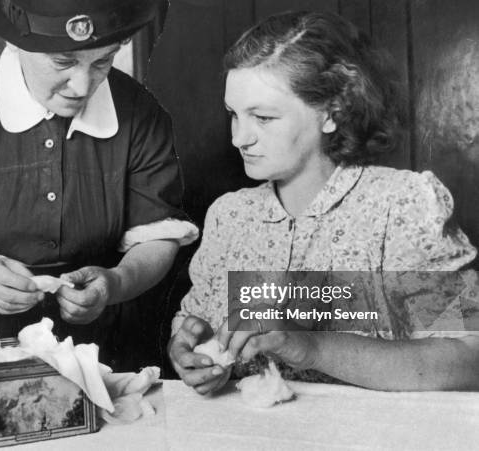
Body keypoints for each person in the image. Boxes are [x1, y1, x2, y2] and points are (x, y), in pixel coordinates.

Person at [168, 11, 479, 393]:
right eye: (234, 114)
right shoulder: (229, 217)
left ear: (330, 114)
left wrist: (310, 346)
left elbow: (471, 358)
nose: (239, 138)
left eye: (263, 117)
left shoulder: (401, 205)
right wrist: (189, 350)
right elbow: (193, 326)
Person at [0, 0, 198, 366]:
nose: (82, 84)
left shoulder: (141, 113)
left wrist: (115, 282)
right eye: (63, 62)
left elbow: (157, 239)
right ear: (18, 45)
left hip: (106, 347)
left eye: (102, 61)